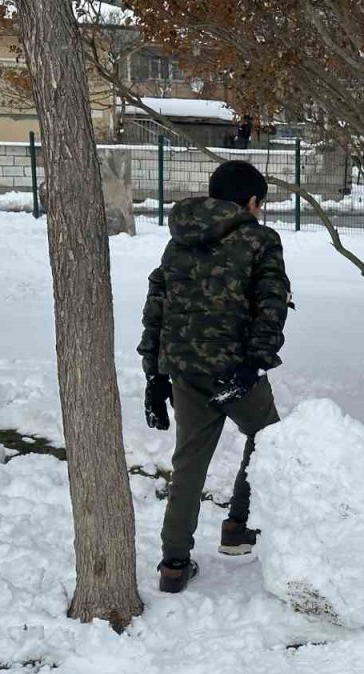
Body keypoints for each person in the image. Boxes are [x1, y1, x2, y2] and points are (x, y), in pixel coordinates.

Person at [139, 160, 291, 594]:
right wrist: (255, 364)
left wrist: (155, 376)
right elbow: (272, 304)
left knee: (188, 461)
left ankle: (173, 564)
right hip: (234, 369)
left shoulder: (178, 241)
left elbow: (157, 308)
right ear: (252, 201)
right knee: (268, 440)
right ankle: (238, 525)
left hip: (186, 371)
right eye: (260, 203)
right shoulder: (259, 240)